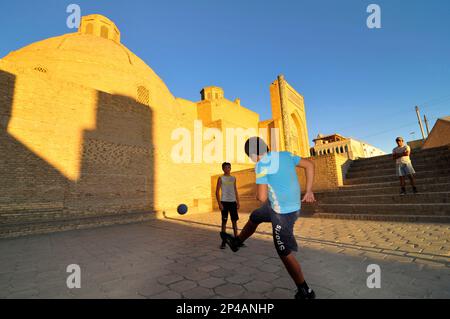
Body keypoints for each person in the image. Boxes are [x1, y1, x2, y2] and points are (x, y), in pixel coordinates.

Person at [221, 137, 317, 299]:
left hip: (282, 213)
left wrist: (257, 193)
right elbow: (309, 165)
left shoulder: (261, 165)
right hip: (285, 205)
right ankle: (237, 242)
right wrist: (308, 191)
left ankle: (305, 291)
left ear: (253, 155)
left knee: (283, 250)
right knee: (256, 216)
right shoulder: (285, 155)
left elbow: (262, 197)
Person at [215, 162, 241, 249]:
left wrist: (238, 201)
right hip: (224, 203)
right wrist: (219, 204)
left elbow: (235, 190)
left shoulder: (233, 178)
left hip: (233, 202)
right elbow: (217, 192)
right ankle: (223, 242)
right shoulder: (221, 178)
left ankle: (237, 240)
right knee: (224, 222)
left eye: (229, 167)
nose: (228, 169)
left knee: (234, 221)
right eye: (226, 167)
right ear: (223, 169)